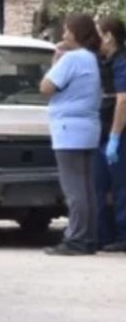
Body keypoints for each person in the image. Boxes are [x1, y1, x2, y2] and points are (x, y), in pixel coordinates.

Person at [40, 14, 103, 256]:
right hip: (88, 128)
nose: (64, 36)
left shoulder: (71, 59)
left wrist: (56, 59)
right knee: (86, 188)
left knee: (74, 190)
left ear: (76, 33)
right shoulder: (90, 58)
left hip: (68, 131)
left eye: (67, 31)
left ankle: (75, 239)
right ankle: (88, 237)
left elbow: (46, 87)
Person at [96, 15, 126, 251]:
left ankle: (122, 236)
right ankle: (106, 234)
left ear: (109, 37)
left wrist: (115, 137)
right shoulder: (106, 61)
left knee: (121, 187)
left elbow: (123, 101)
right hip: (107, 132)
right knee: (105, 187)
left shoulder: (121, 62)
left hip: (119, 134)